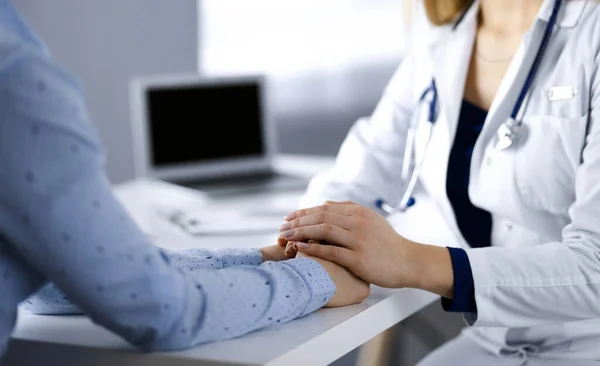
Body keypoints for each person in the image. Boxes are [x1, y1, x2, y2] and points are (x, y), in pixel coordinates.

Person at [0, 0, 370, 360]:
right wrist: (315, 280)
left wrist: (260, 257)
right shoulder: (17, 82)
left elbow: (49, 283)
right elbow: (162, 309)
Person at [278, 0, 600, 365]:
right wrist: (309, 241)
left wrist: (411, 261)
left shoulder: (590, 30)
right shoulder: (444, 33)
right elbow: (361, 170)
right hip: (494, 341)